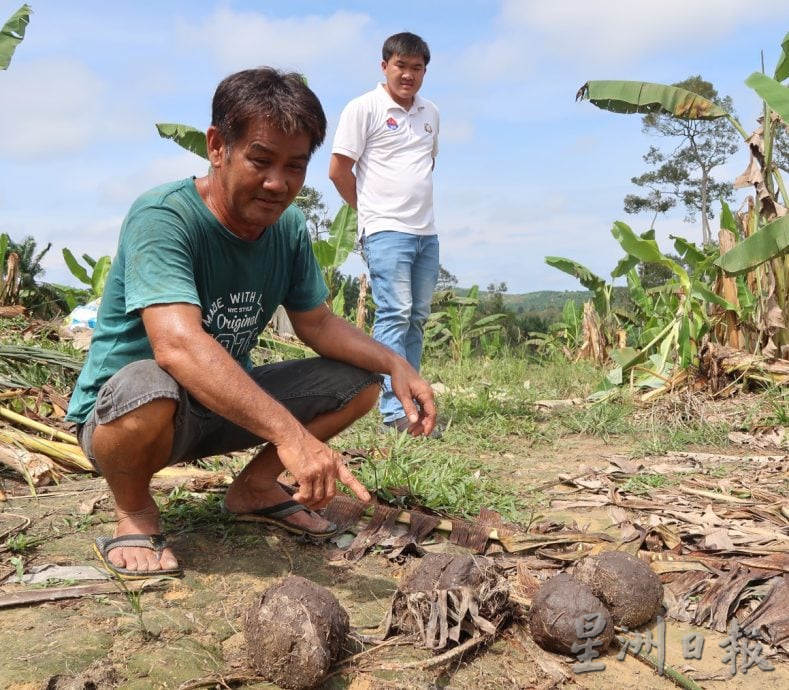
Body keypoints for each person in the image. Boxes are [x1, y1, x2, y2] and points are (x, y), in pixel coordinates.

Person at [65, 67, 437, 579]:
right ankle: (134, 510)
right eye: (260, 160)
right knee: (149, 383)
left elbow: (318, 322)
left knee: (356, 383)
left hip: (219, 406)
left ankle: (255, 488)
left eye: (295, 166)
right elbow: (176, 345)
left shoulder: (286, 229)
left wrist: (395, 362)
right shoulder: (163, 216)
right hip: (128, 416)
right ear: (217, 146)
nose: (277, 183)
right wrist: (293, 436)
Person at [329, 32, 441, 435]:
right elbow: (338, 170)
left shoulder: (431, 113)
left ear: (425, 71)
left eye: (416, 68)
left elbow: (425, 166)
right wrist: (370, 212)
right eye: (401, 66)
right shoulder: (364, 108)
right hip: (385, 230)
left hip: (426, 231)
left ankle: (415, 406)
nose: (408, 74)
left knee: (417, 318)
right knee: (395, 314)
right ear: (384, 67)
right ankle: (395, 413)